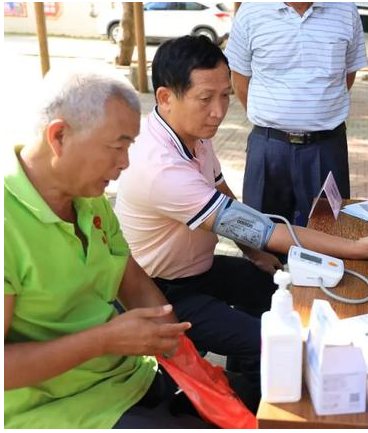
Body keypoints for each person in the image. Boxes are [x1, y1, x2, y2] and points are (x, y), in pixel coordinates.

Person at [115, 36, 368, 409]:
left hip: (198, 269)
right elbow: (263, 230)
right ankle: (246, 407)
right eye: (205, 99)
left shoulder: (190, 132)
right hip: (160, 291)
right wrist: (355, 248)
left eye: (225, 95)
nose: (219, 111)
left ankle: (247, 384)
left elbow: (226, 197)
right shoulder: (160, 167)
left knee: (284, 292)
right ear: (165, 97)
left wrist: (254, 253)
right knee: (274, 343)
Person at [4, 69, 214, 428]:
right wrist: (104, 340)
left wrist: (183, 356)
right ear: (59, 136)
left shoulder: (88, 197)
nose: (125, 163)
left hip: (127, 377)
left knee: (250, 401)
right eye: (118, 147)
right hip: (60, 409)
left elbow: (133, 283)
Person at [224, 2, 367, 226]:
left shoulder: (345, 10)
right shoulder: (251, 10)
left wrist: (317, 111)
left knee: (328, 230)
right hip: (269, 148)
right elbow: (240, 79)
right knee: (262, 233)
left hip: (326, 147)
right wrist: (275, 116)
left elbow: (347, 75)